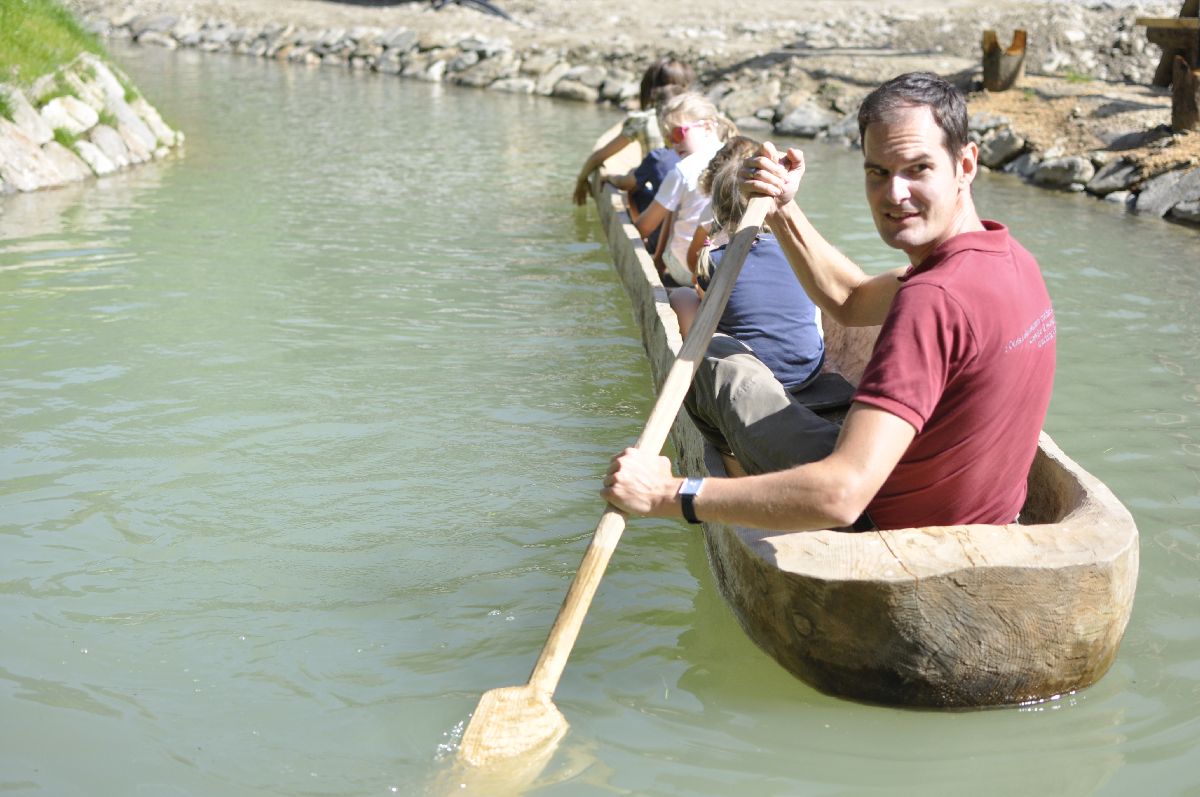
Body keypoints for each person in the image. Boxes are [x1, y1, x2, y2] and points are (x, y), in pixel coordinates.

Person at [602, 72, 1056, 533]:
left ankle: (738, 491)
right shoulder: (1011, 260)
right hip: (963, 506)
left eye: (918, 168)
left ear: (966, 164)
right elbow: (849, 300)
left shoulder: (931, 301)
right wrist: (781, 205)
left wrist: (669, 495)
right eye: (878, 172)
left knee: (715, 356)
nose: (894, 194)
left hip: (878, 518)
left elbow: (841, 496)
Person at [668, 136, 825, 397]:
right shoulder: (796, 250)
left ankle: (692, 363)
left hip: (753, 382)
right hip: (808, 372)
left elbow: (712, 308)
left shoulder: (716, 258)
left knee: (682, 295)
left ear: (716, 208)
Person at [634, 92, 737, 287]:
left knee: (666, 206)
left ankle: (660, 262)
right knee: (678, 206)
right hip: (723, 267)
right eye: (668, 140)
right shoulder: (736, 157)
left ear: (707, 126)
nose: (673, 145)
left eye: (678, 133)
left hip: (687, 269)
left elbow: (644, 227)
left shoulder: (683, 170)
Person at [572, 58, 694, 207]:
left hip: (658, 196)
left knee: (635, 187)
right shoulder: (701, 120)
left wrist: (581, 180)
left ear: (651, 90)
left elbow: (598, 158)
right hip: (687, 198)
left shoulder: (643, 120)